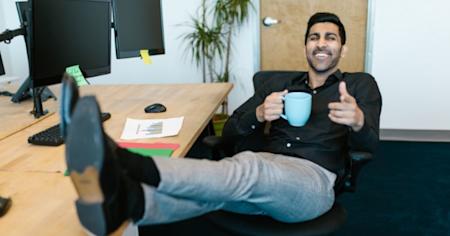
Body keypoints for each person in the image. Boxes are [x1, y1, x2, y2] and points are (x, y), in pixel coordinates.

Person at [64, 12, 382, 235]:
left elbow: (369, 147)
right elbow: (228, 132)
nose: (321, 43)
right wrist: (258, 115)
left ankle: (124, 161)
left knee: (248, 170)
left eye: (330, 38)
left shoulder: (358, 86)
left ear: (343, 48)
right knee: (231, 178)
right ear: (305, 46)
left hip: (314, 181)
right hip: (261, 164)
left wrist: (357, 121)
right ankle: (125, 206)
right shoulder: (279, 86)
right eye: (314, 37)